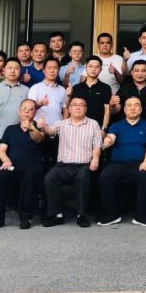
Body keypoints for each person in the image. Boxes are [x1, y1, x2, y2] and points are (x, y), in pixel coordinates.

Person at [42, 96, 102, 228]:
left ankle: (81, 215)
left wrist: (96, 158)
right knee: (49, 178)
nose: (78, 107)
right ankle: (56, 214)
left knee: (83, 178)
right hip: (63, 165)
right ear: (69, 108)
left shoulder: (93, 124)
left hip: (83, 165)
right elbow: (51, 131)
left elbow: (97, 144)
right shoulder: (62, 123)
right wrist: (44, 126)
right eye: (74, 105)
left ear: (86, 108)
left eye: (81, 105)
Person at [98, 97, 146, 226]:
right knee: (105, 176)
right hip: (117, 164)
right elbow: (111, 137)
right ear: (124, 109)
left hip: (139, 163)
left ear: (141, 109)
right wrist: (108, 141)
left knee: (144, 175)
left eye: (136, 105)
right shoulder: (116, 126)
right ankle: (111, 215)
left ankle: (142, 217)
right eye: (129, 105)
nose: (133, 108)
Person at [0, 58, 30, 212]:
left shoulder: (26, 90)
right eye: (10, 68)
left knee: (14, 170)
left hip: (17, 137)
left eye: (16, 68)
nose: (13, 71)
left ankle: (12, 203)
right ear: (4, 70)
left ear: (20, 71)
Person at [0, 99, 45, 230]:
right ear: (19, 111)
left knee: (29, 177)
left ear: (35, 112)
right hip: (13, 166)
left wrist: (31, 128)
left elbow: (39, 138)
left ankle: (26, 217)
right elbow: (1, 150)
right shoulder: (10, 129)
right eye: (24, 109)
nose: (27, 112)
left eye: (31, 109)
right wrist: (6, 160)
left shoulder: (39, 127)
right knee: (0, 177)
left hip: (32, 167)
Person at [28, 57, 66, 168]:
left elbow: (65, 109)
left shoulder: (62, 90)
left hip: (57, 130)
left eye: (55, 68)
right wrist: (40, 103)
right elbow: (29, 108)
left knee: (54, 162)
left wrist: (64, 124)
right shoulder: (35, 88)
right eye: (49, 68)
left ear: (58, 70)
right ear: (44, 70)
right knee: (38, 162)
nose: (52, 70)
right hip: (39, 129)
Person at [67, 55, 112, 127]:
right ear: (85, 68)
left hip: (97, 127)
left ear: (100, 69)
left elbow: (107, 111)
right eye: (90, 66)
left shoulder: (105, 88)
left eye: (96, 67)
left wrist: (104, 129)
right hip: (78, 127)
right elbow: (69, 108)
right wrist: (68, 96)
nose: (93, 69)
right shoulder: (77, 88)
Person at [119, 59, 146, 134]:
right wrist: (112, 105)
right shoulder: (124, 89)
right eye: (136, 71)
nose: (140, 74)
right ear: (132, 73)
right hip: (125, 130)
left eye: (143, 71)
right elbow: (116, 110)